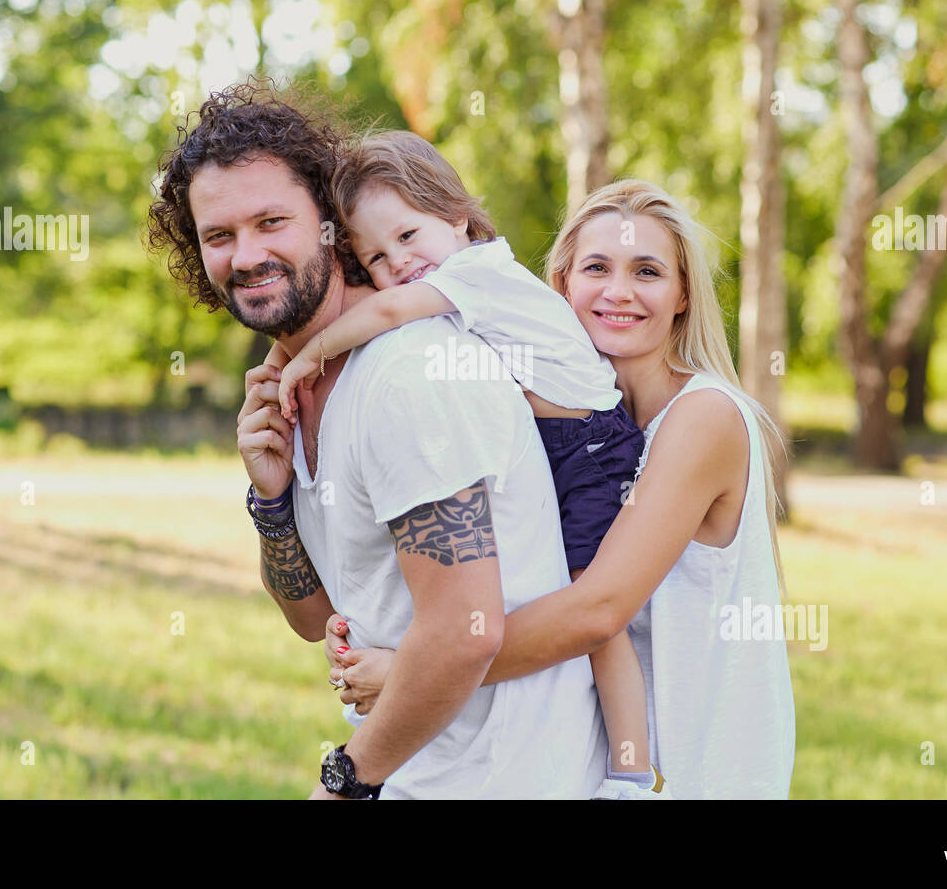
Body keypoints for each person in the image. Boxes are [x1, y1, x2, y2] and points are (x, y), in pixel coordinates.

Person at [146, 78, 606, 798]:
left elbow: (465, 628)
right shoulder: (301, 382)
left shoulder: (408, 372)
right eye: (219, 235)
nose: (246, 254)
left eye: (273, 222)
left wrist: (345, 783)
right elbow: (317, 619)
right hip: (422, 775)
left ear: (330, 221)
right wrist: (271, 499)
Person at [323, 179, 797, 799]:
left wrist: (412, 672)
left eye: (648, 272)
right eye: (596, 268)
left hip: (696, 776)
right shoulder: (559, 419)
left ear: (683, 295)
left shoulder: (704, 417)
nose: (618, 292)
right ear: (562, 285)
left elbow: (597, 610)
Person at [272, 130, 662, 798]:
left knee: (594, 615)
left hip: (590, 454)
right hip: (562, 445)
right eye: (376, 254)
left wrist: (299, 355)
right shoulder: (455, 287)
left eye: (409, 235)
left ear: (458, 217)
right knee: (577, 605)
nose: (399, 261)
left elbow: (391, 308)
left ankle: (631, 773)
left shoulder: (477, 273)